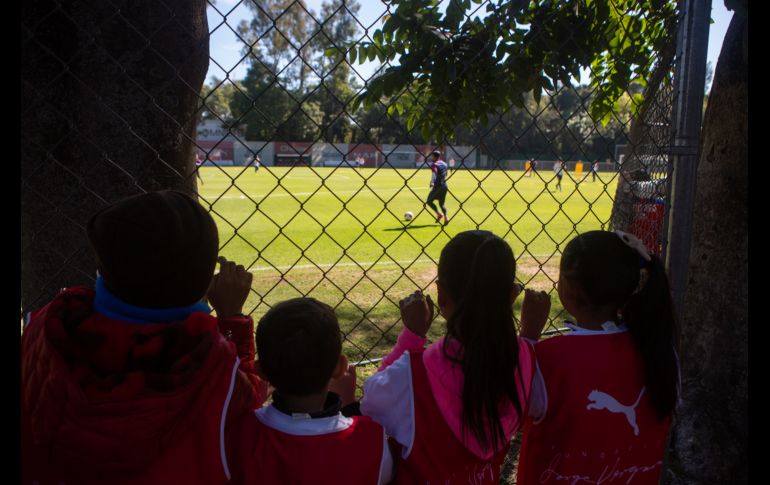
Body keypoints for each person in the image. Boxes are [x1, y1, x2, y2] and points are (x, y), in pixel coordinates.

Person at [21, 190, 269, 485]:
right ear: (205, 283)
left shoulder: (47, 325)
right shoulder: (210, 366)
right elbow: (248, 407)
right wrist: (232, 322)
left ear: (102, 268)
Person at [360, 230, 551, 484]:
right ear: (510, 296)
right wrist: (529, 337)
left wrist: (412, 337)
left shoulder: (414, 374)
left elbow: (372, 403)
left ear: (440, 296)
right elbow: (533, 397)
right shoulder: (525, 357)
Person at [516, 230, 680, 485]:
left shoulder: (549, 360)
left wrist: (527, 337)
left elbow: (505, 407)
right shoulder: (659, 352)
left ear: (568, 288)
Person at [229, 297, 394, 484]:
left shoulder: (242, 433)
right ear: (340, 367)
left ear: (261, 372)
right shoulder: (371, 440)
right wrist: (349, 406)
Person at [425, 150, 450, 225]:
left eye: (432, 156)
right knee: (441, 204)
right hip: (444, 186)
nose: (431, 158)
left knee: (429, 201)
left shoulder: (434, 164)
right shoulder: (444, 164)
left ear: (435, 157)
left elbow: (434, 173)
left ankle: (439, 214)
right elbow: (446, 174)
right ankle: (446, 217)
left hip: (437, 186)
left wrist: (432, 182)